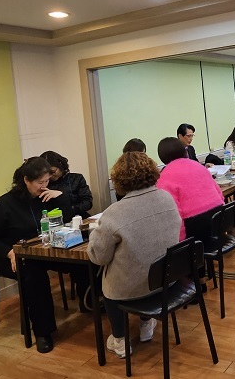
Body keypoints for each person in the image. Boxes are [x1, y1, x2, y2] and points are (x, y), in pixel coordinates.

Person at [0, 157, 89, 353]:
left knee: (82, 260)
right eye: (40, 182)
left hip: (44, 251)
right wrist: (9, 252)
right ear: (26, 180)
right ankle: (43, 332)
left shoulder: (44, 197)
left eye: (47, 181)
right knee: (34, 276)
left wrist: (60, 196)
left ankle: (89, 302)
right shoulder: (5, 204)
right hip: (14, 256)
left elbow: (67, 218)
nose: (44, 186)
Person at [88, 152, 181, 359]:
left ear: (119, 180)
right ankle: (146, 325)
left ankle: (120, 340)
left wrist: (94, 233)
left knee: (109, 284)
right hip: (166, 279)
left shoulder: (114, 213)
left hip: (131, 288)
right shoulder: (166, 198)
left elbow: (98, 257)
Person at [156, 137, 224, 242]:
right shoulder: (198, 166)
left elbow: (174, 213)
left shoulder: (164, 177)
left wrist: (181, 240)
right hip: (219, 217)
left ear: (162, 156)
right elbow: (219, 193)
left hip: (195, 226)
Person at [40, 151, 93, 219]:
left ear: (60, 165)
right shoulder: (43, 185)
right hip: (54, 221)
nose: (50, 176)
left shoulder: (76, 179)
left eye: (53, 172)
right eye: (47, 174)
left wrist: (62, 196)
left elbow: (88, 203)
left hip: (78, 218)